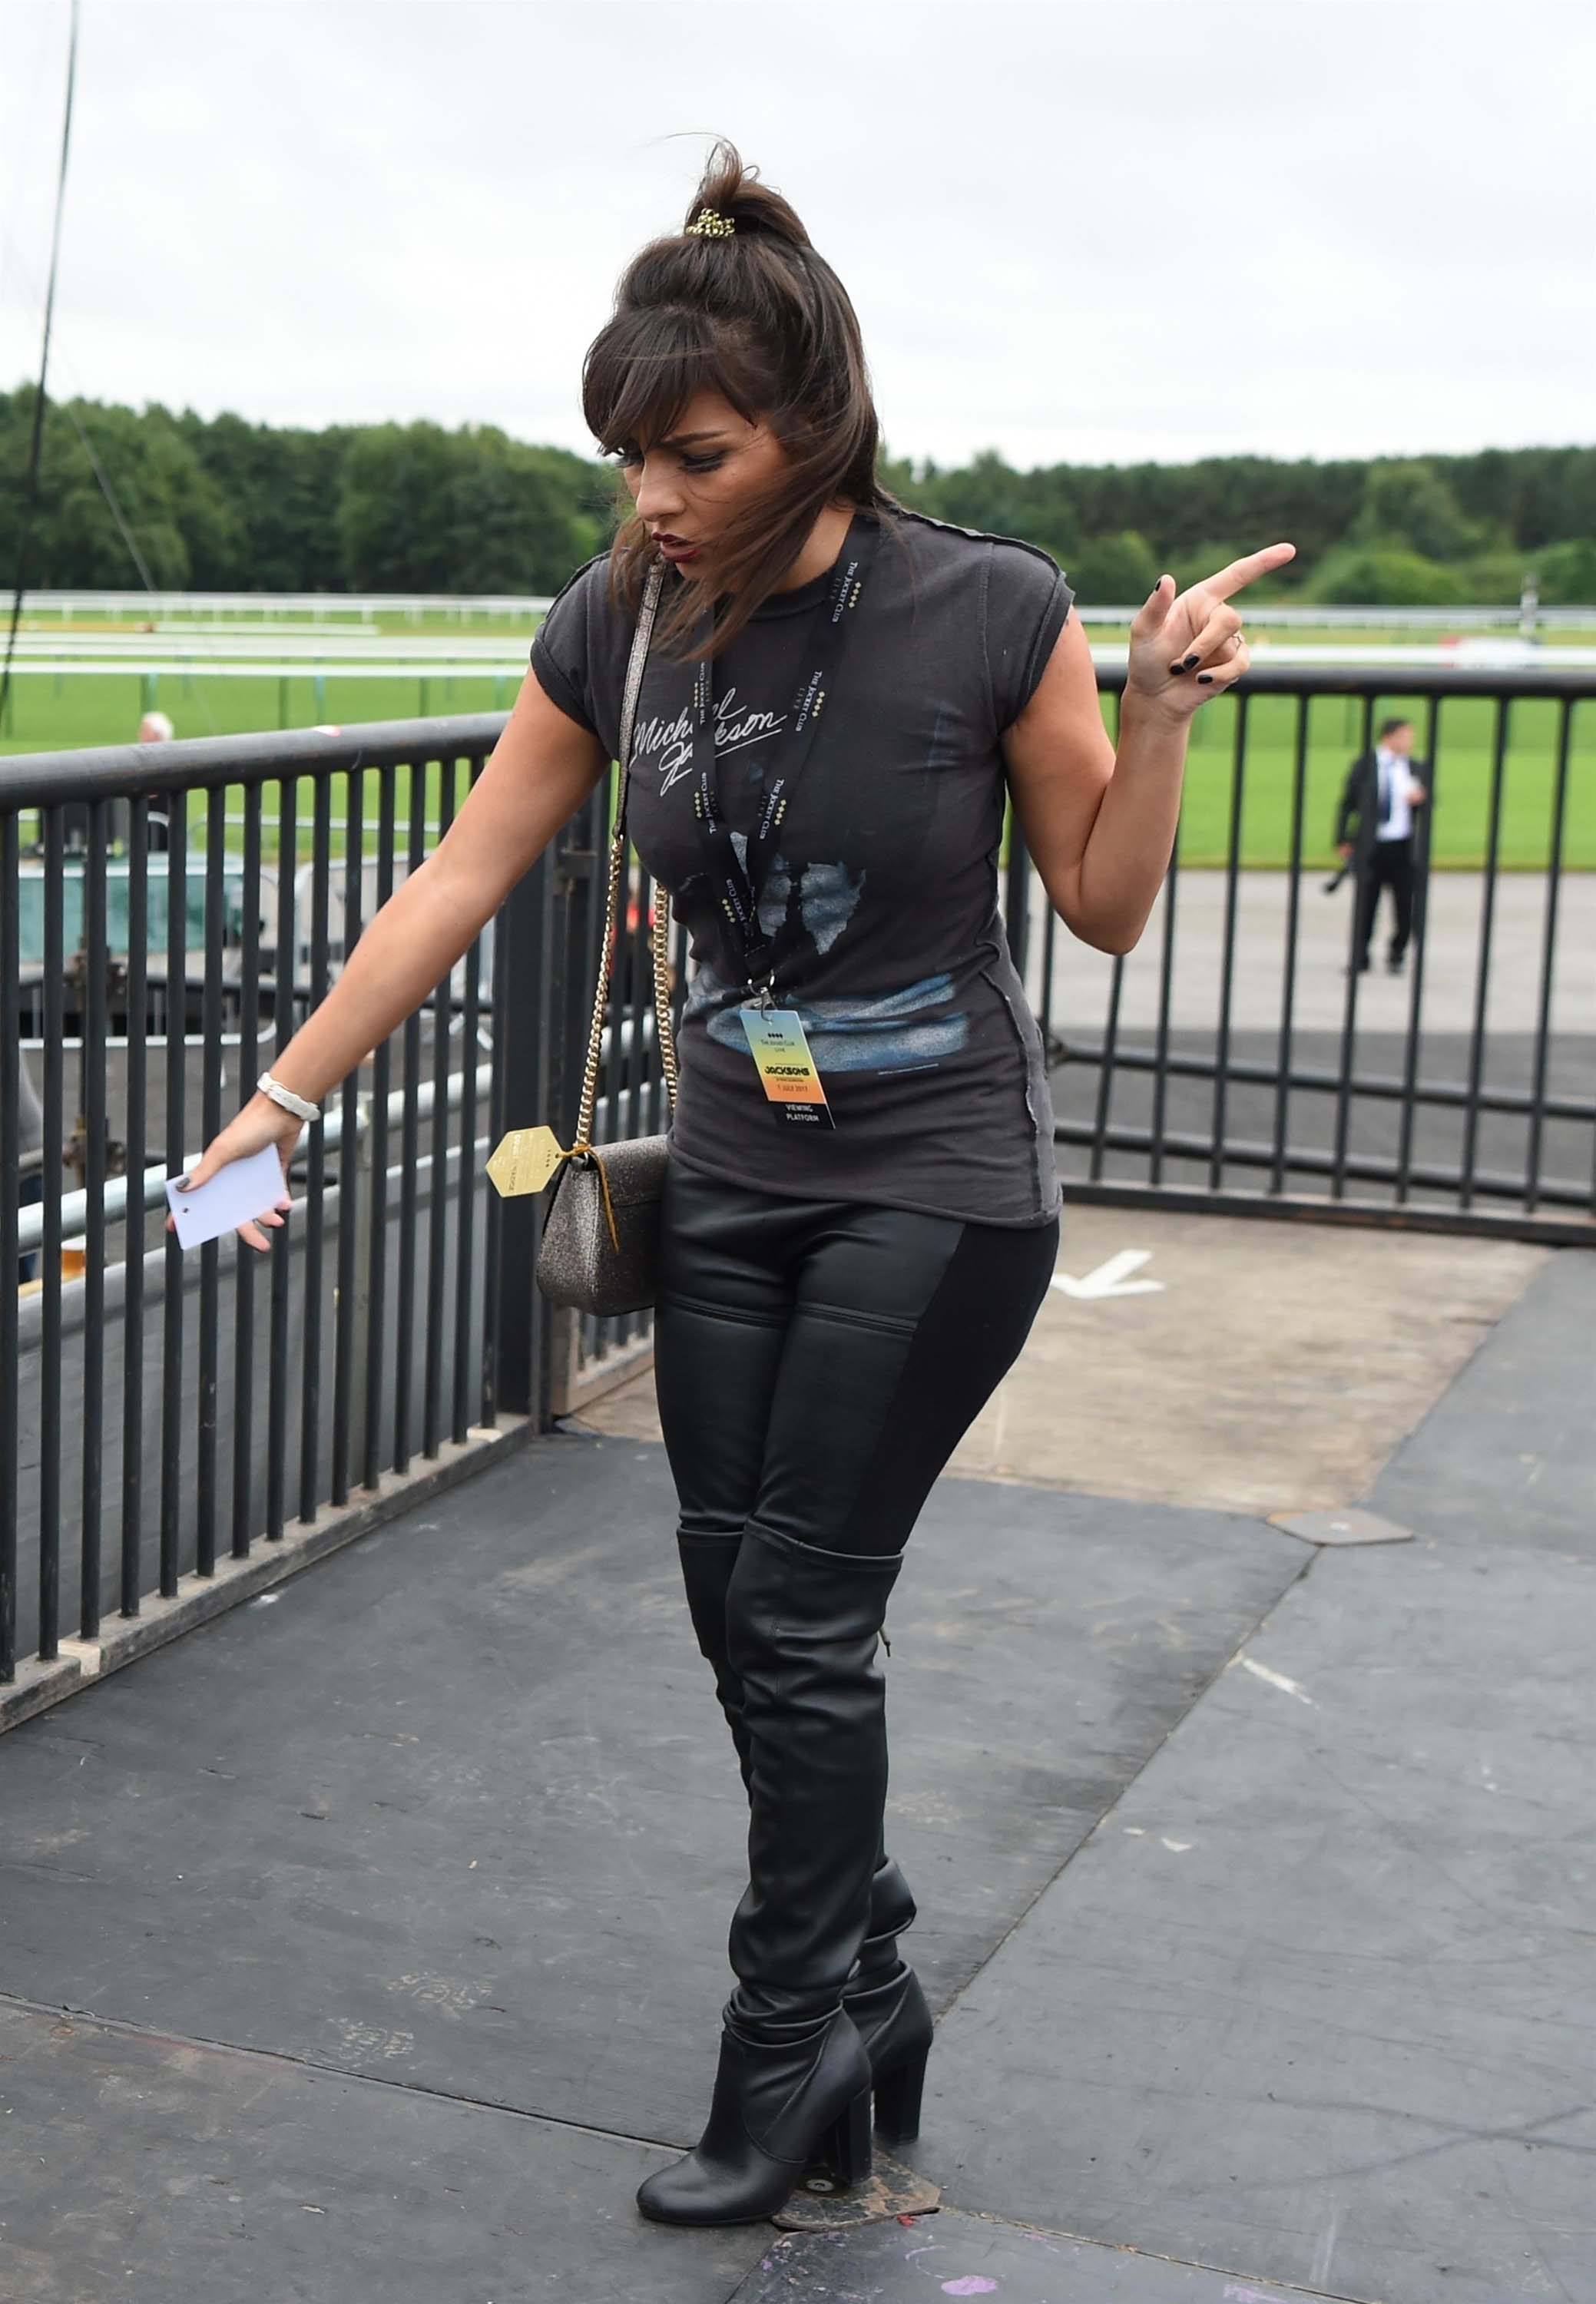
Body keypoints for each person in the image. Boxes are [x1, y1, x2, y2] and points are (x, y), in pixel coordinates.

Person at [172, 141, 1293, 2230]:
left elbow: (1105, 906)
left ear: (811, 430)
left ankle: (775, 2051)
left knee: (796, 1606)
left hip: (933, 1177)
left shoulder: (988, 607)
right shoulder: (616, 622)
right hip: (729, 1168)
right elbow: (461, 870)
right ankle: (871, 1988)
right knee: (729, 1602)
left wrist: (1148, 720)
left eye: (688, 454)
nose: (650, 500)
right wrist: (289, 1094)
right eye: (627, 460)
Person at [1333, 715, 1429, 974]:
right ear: (1389, 737)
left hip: (1403, 847)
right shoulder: (1365, 765)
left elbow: (1430, 803)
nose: (1410, 741)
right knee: (1366, 905)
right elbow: (1347, 803)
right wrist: (1342, 838)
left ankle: (1397, 953)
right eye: (1406, 736)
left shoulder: (1416, 768)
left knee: (1404, 906)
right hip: (1371, 846)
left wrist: (1421, 800)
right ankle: (1360, 956)